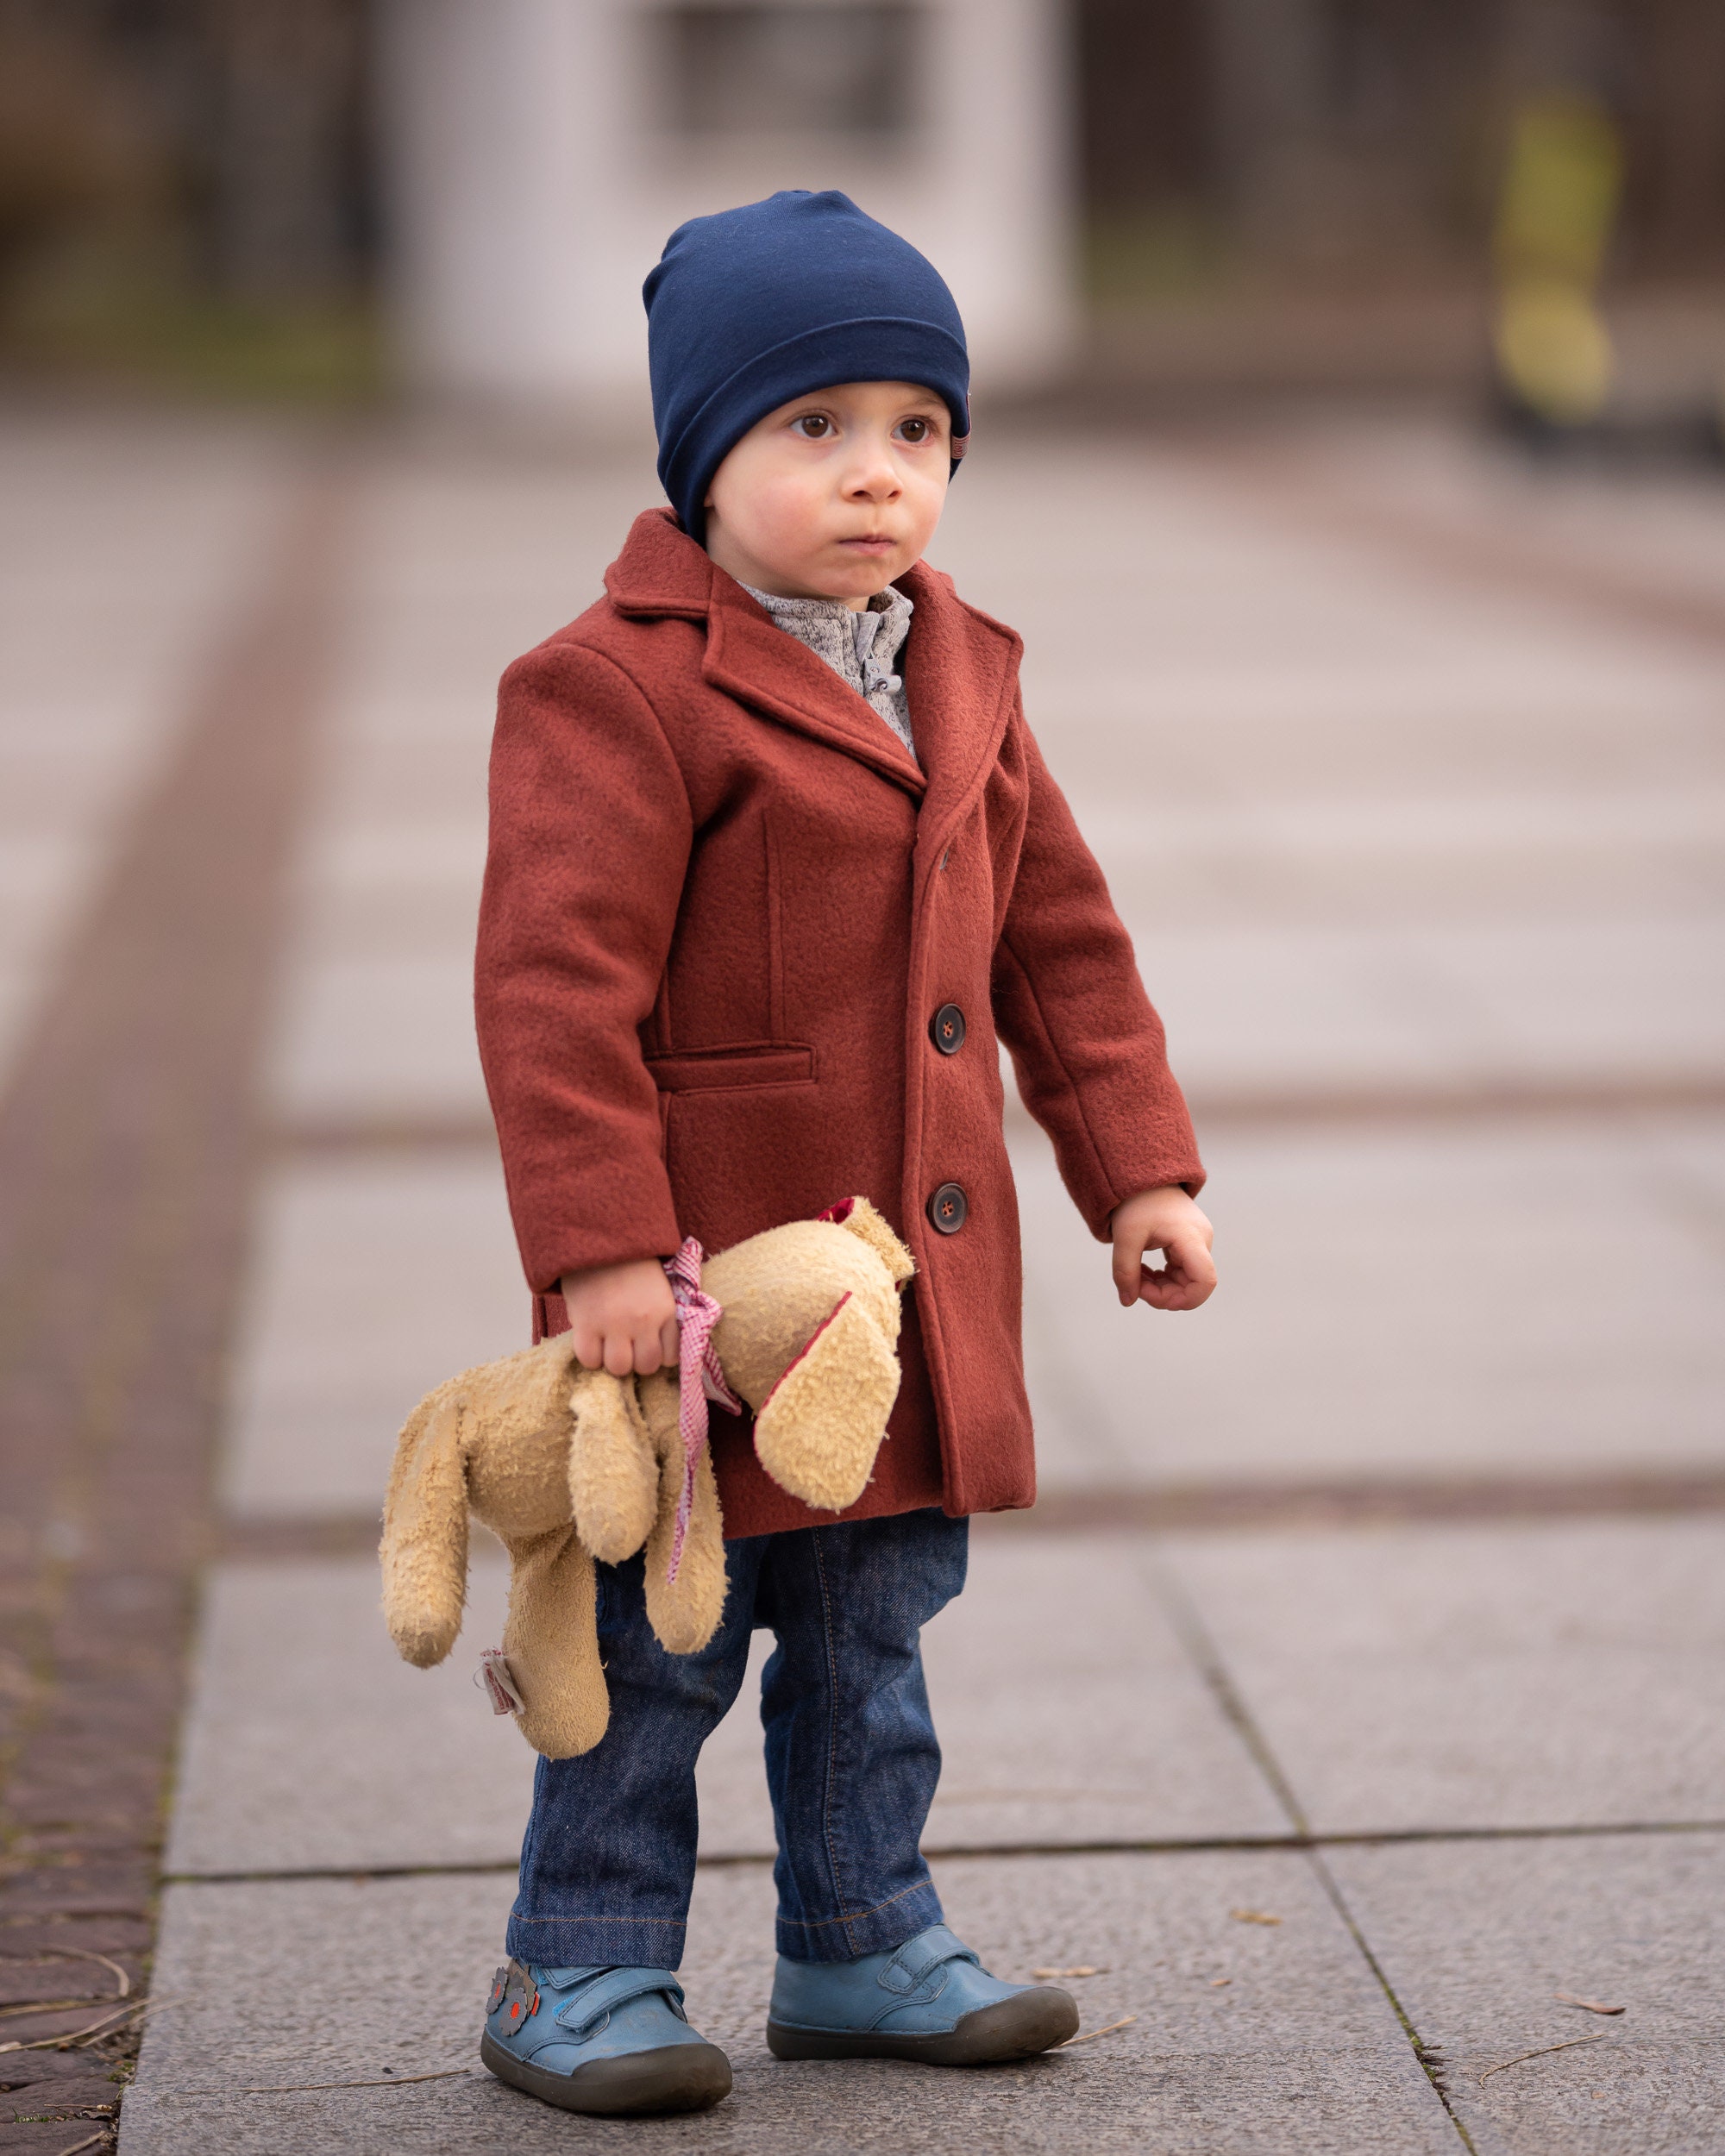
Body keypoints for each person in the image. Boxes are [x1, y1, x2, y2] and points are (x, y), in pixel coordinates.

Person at [472, 189, 1215, 2117]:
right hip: (710, 1297)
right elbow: (554, 987)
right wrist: (606, 1247)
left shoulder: (964, 669)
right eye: (814, 429)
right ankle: (582, 1960)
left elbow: (1061, 941)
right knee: (658, 1651)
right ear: (704, 454)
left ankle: (861, 1931)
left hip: (909, 1298)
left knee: (876, 1640)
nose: (876, 475)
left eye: (917, 431)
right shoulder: (615, 685)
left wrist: (1138, 1166)